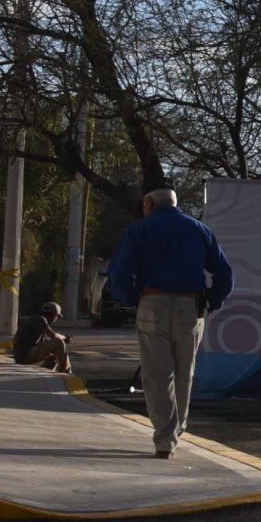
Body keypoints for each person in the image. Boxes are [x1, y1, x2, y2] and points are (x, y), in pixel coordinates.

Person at [104, 187, 235, 460]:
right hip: (190, 306)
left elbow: (119, 272)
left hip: (153, 303)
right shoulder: (200, 230)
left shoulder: (140, 230)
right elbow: (224, 273)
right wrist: (213, 301)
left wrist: (130, 298)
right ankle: (177, 430)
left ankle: (165, 438)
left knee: (157, 374)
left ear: (149, 203)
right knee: (184, 372)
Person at [12, 302, 70, 374]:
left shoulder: (36, 320)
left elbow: (47, 343)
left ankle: (51, 373)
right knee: (58, 342)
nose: (56, 319)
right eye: (57, 317)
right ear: (53, 315)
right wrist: (65, 337)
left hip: (22, 357)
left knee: (54, 356)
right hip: (24, 356)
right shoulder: (40, 319)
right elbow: (53, 335)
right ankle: (66, 372)